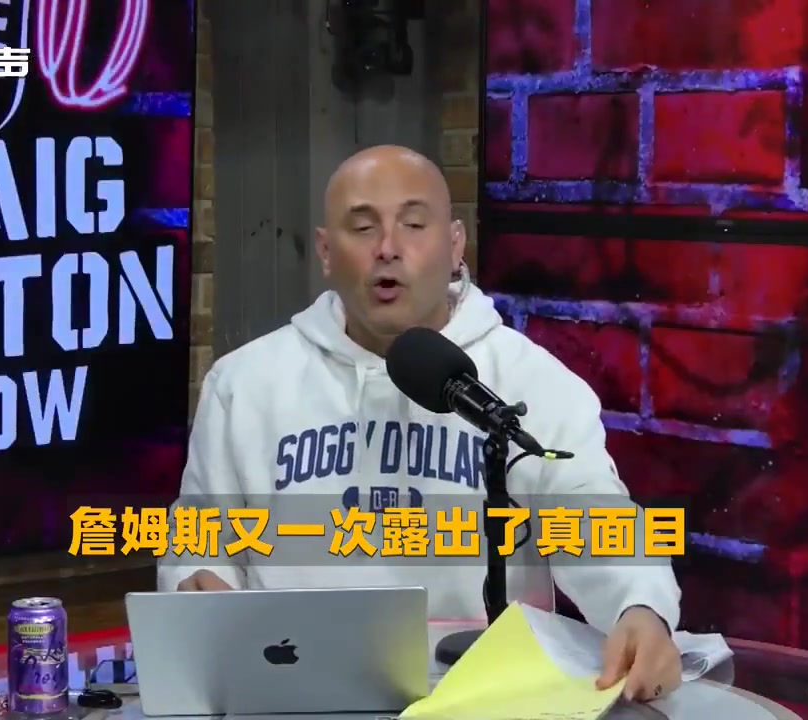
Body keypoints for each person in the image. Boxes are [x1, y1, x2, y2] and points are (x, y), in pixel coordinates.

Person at [158, 145, 683, 701]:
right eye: (363, 227)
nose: (387, 248)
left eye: (413, 224)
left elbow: (594, 516)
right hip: (292, 693)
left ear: (455, 245)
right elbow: (200, 541)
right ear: (326, 251)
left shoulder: (530, 382)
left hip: (482, 698)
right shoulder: (245, 384)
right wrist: (199, 587)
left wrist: (641, 606)